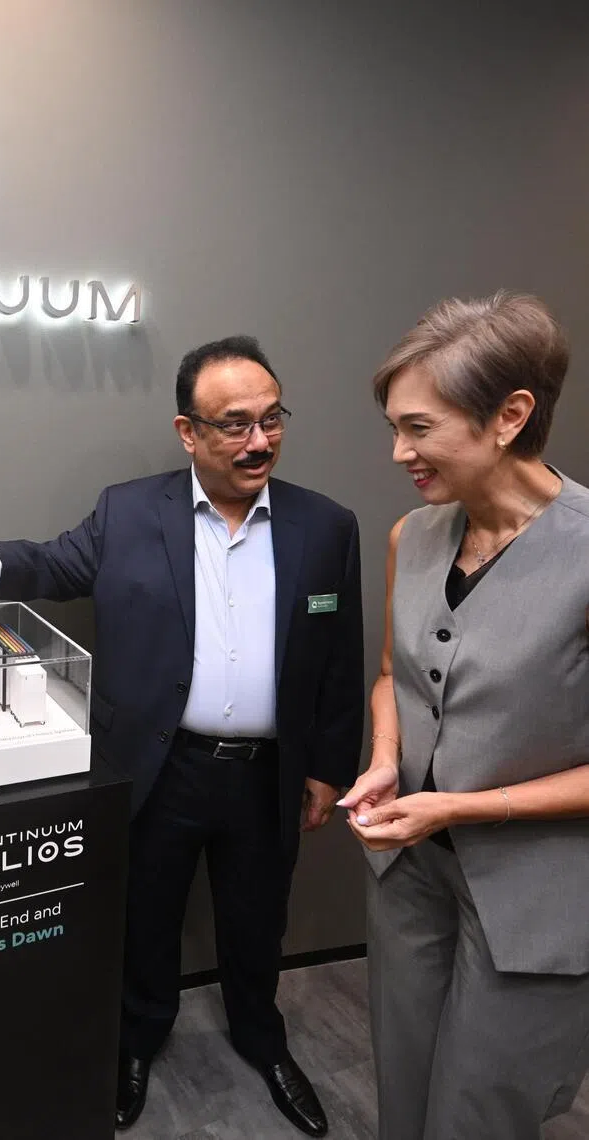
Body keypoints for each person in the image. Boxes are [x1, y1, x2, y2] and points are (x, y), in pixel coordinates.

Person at [0, 337, 363, 1136]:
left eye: (272, 420)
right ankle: (138, 1043)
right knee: (146, 919)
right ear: (187, 431)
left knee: (258, 922)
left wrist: (331, 766)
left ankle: (263, 1041)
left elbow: (339, 658)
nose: (258, 441)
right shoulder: (128, 513)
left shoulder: (327, 526)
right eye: (234, 425)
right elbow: (50, 564)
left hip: (267, 774)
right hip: (162, 769)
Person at [340, 292, 589, 1139]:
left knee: (478, 1113)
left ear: (510, 416)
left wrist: (459, 806)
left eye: (419, 428)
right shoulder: (411, 536)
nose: (398, 452)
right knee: (404, 1090)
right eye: (394, 427)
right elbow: (391, 676)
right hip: (410, 874)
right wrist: (386, 759)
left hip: (534, 894)